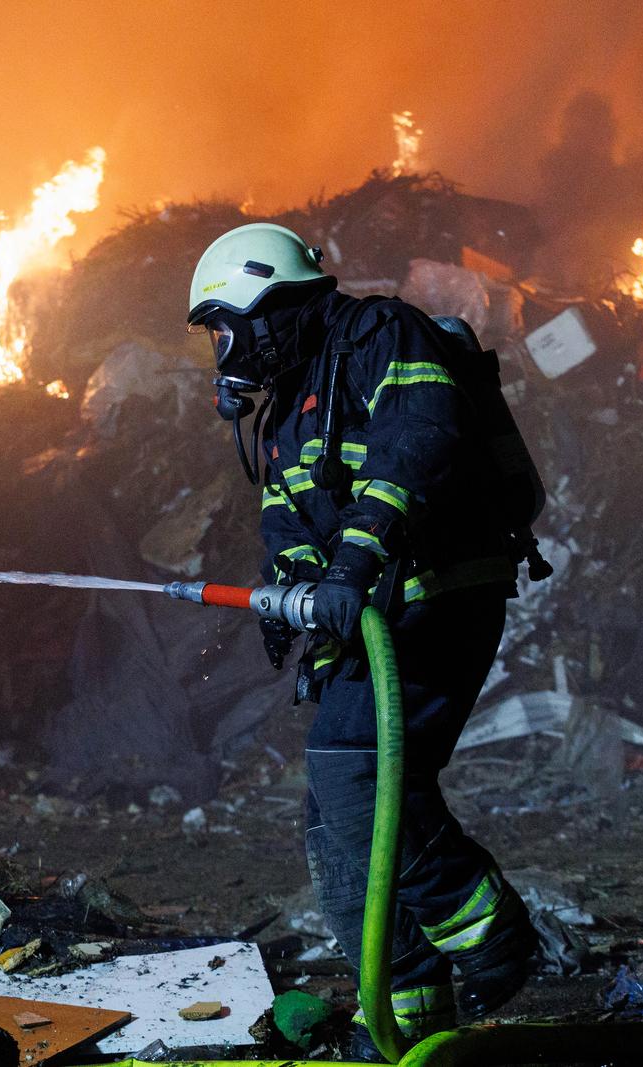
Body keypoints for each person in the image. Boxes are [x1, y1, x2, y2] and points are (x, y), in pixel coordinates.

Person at [186, 223, 537, 1060]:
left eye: (224, 326)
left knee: (354, 772)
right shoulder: (287, 409)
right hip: (378, 614)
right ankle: (407, 1013)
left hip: (436, 597)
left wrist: (352, 562)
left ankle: (492, 936)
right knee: (334, 821)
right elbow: (289, 517)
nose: (223, 349)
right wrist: (296, 591)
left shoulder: (382, 337)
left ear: (268, 306)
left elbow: (419, 443)